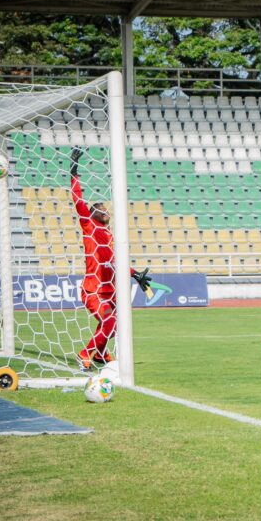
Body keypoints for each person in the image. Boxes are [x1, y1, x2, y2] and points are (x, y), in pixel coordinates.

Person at [70, 148, 152, 371]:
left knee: (114, 325)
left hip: (110, 290)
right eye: (100, 208)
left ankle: (101, 354)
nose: (104, 210)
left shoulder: (109, 235)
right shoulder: (89, 226)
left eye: (105, 207)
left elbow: (113, 262)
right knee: (110, 322)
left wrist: (134, 274)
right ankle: (85, 353)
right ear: (93, 214)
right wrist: (74, 172)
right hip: (94, 290)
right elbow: (78, 201)